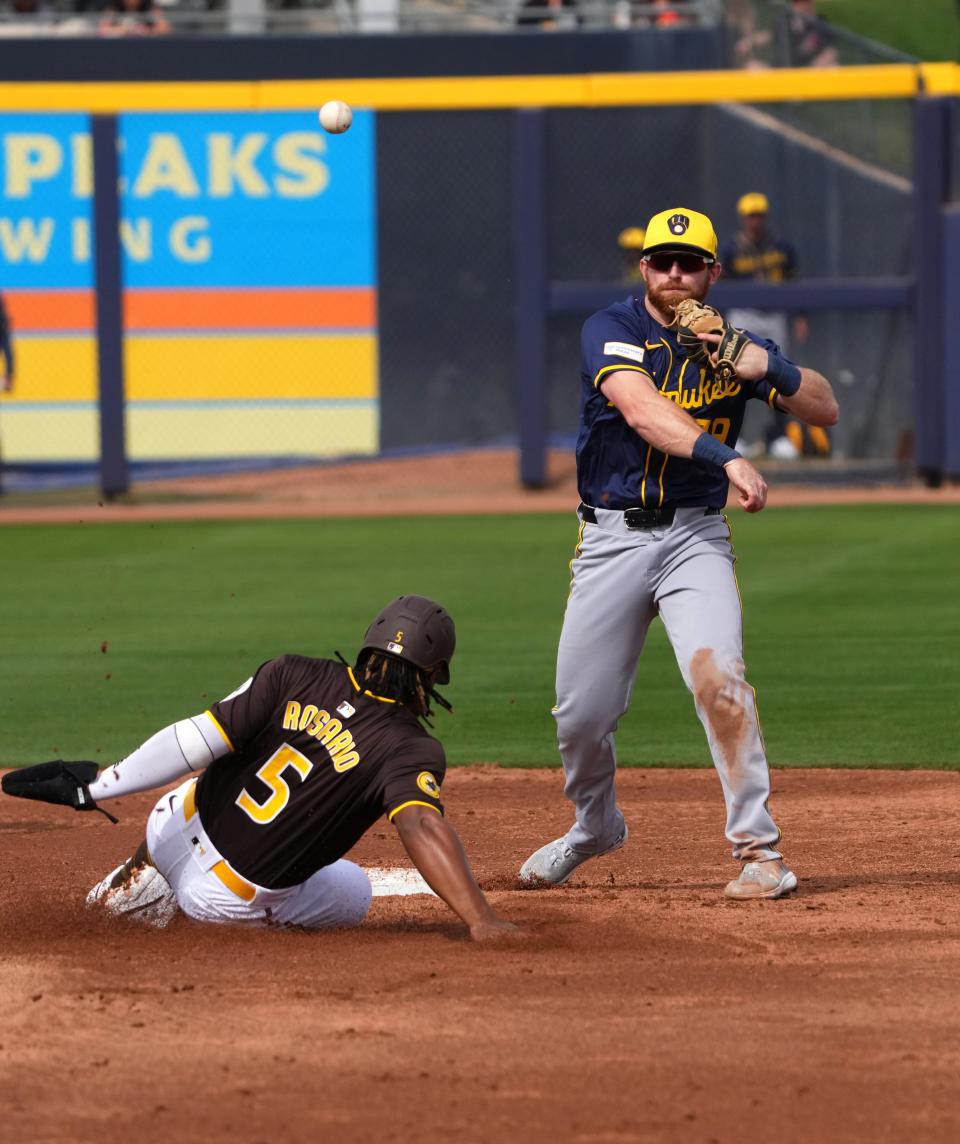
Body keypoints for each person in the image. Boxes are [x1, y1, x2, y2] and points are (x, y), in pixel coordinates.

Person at [518, 206, 838, 900]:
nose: (673, 273)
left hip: (696, 537)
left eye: (688, 262)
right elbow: (640, 410)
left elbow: (824, 407)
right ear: (644, 269)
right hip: (610, 539)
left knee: (718, 679)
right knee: (581, 716)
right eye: (662, 261)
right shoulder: (612, 329)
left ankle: (760, 853)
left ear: (711, 273)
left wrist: (762, 363)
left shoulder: (731, 343)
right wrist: (727, 455)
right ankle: (595, 826)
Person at [2, 595, 522, 942]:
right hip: (223, 900)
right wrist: (481, 920)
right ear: (433, 676)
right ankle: (184, 918)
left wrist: (95, 786)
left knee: (182, 814)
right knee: (355, 891)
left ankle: (131, 887)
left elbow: (193, 740)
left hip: (168, 824)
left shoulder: (291, 671)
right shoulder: (412, 748)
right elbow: (420, 823)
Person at [720, 192, 829, 458]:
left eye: (759, 215)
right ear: (743, 218)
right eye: (751, 216)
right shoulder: (732, 249)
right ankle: (737, 436)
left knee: (778, 371)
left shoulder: (781, 247)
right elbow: (721, 286)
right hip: (743, 313)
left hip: (775, 314)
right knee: (733, 373)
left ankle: (779, 436)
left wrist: (801, 315)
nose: (755, 221)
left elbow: (794, 283)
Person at [785, 0, 838, 68]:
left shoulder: (819, 20)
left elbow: (830, 46)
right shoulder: (786, 22)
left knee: (832, 61)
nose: (803, 6)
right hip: (795, 65)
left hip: (815, 63)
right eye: (799, 4)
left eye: (806, 3)